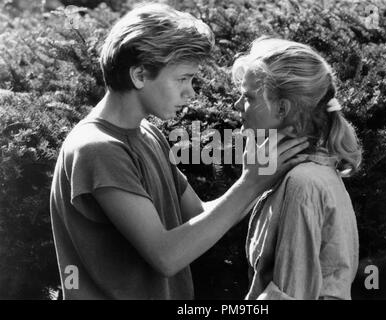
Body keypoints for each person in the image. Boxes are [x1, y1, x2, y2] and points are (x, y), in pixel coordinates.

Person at [49, 4, 308, 300]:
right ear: (139, 75)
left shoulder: (147, 134)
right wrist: (251, 182)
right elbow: (167, 256)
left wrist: (264, 175)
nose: (191, 92)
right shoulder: (97, 149)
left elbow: (198, 215)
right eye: (182, 78)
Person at [232, 37, 362, 300]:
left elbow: (291, 294)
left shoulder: (301, 182)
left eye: (247, 97)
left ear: (282, 108)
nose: (237, 106)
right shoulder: (302, 173)